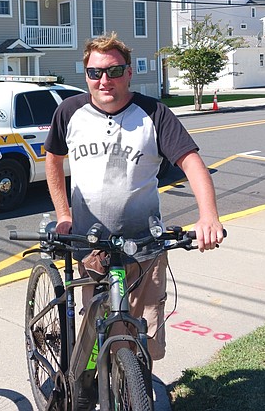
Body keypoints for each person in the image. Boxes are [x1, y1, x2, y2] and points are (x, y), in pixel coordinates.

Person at [45, 32, 224, 367]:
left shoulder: (153, 113)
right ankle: (94, 388)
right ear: (86, 75)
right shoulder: (70, 111)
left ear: (128, 73)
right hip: (90, 245)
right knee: (94, 337)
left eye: (114, 71)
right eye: (95, 72)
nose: (104, 80)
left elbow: (191, 162)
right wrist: (63, 213)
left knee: (145, 337)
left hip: (144, 246)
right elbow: (52, 159)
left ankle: (134, 387)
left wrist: (208, 216)